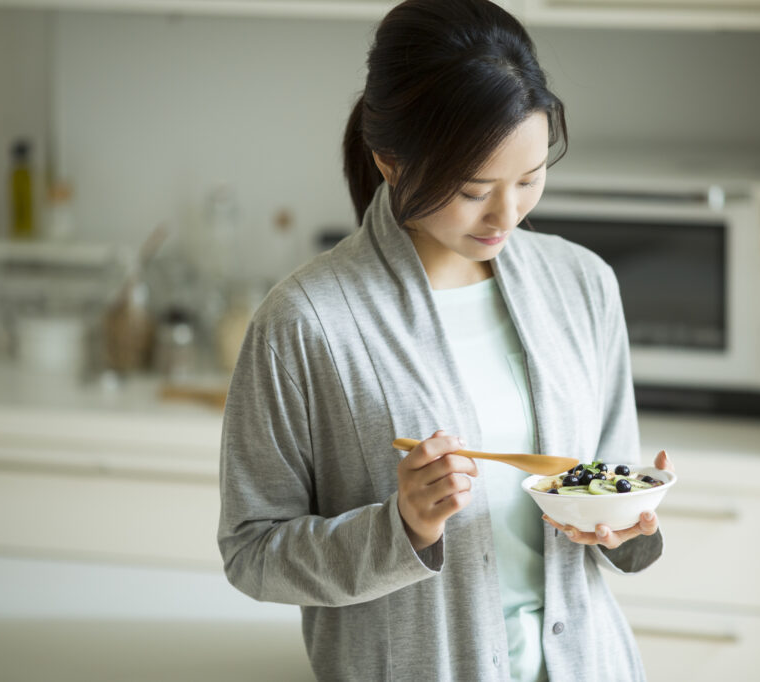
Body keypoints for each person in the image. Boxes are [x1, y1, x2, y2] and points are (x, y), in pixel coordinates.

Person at [218, 1, 674, 680]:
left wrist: (621, 520)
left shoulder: (582, 284)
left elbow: (605, 479)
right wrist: (399, 527)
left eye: (529, 179)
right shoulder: (306, 322)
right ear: (391, 162)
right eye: (473, 189)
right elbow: (252, 553)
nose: (506, 213)